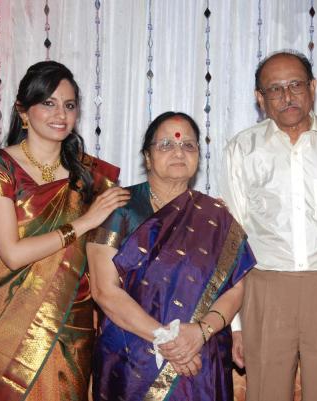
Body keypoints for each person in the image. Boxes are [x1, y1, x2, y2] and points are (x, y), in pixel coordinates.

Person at [0, 61, 130, 401]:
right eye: (48, 103)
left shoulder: (89, 177)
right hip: (7, 316)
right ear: (24, 112)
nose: (60, 114)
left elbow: (127, 230)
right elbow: (12, 253)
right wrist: (83, 222)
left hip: (71, 317)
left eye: (68, 105)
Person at [220, 50, 317, 401]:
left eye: (295, 85)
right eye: (275, 89)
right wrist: (236, 324)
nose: (287, 96)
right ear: (260, 98)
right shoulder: (242, 148)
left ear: (312, 88)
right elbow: (233, 237)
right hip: (265, 288)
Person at [87, 111, 256, 401]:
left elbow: (236, 288)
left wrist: (200, 333)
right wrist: (167, 340)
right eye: (166, 144)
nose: (179, 151)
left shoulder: (216, 216)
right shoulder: (119, 209)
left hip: (201, 359)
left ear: (198, 157)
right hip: (133, 359)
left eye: (188, 145)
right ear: (147, 157)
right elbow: (104, 290)